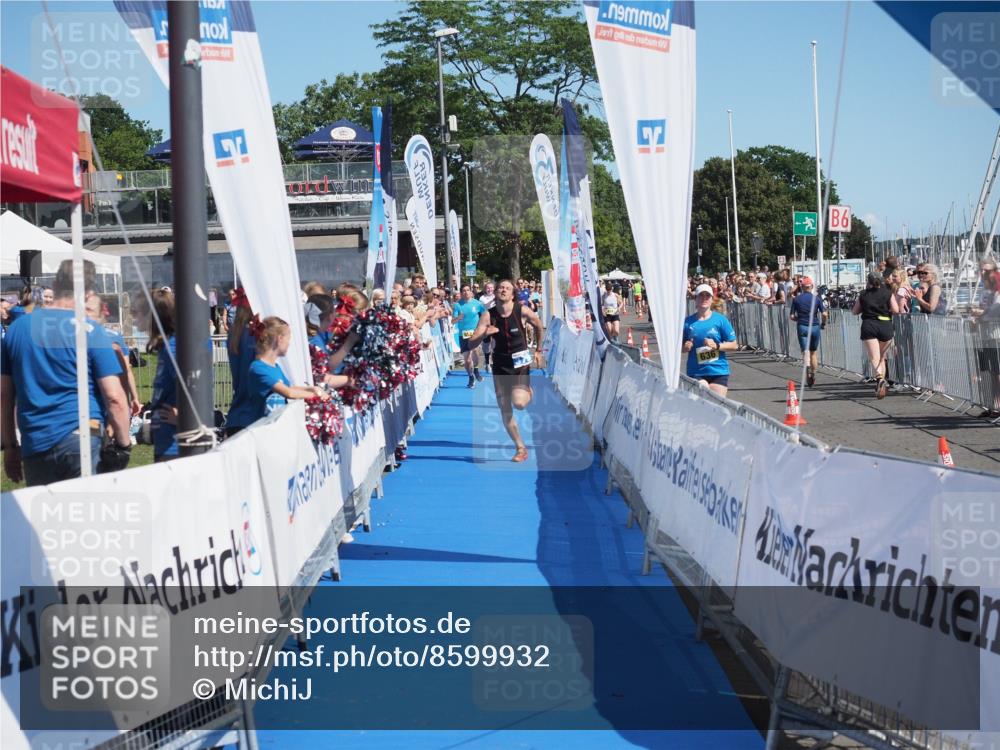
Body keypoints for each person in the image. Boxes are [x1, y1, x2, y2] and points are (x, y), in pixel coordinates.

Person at [1, 260, 131, 485]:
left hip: (35, 440)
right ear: (88, 292)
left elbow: (4, 395)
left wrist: (10, 446)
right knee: (86, 516)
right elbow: (115, 397)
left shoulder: (17, 330)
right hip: (82, 436)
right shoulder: (91, 330)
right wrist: (124, 444)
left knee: (44, 517)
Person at [467, 279, 545, 462]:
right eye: (500, 287)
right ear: (495, 292)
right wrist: (484, 334)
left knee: (519, 403)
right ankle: (520, 447)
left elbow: (539, 325)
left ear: (513, 294)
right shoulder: (488, 315)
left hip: (520, 362)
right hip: (500, 364)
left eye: (507, 288)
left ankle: (527, 391)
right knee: (505, 408)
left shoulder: (522, 310)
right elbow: (472, 343)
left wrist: (539, 350)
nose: (503, 290)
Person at [248, 317, 330, 421]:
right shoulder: (258, 368)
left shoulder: (275, 367)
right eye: (288, 339)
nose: (289, 344)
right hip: (264, 430)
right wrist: (316, 396)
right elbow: (288, 393)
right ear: (280, 339)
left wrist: (312, 389)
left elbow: (290, 388)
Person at [682, 283, 739, 397]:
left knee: (717, 406)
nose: (704, 298)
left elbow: (734, 345)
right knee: (703, 396)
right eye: (701, 296)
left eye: (707, 296)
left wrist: (717, 346)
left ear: (712, 299)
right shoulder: (687, 322)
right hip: (696, 372)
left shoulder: (720, 320)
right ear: (695, 299)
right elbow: (679, 347)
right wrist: (685, 347)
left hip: (718, 371)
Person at [852, 273, 894, 399]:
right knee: (882, 357)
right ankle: (882, 385)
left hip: (869, 325)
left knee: (874, 357)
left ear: (868, 282)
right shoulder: (888, 293)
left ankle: (879, 378)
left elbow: (855, 311)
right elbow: (896, 309)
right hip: (885, 325)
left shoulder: (864, 294)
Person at [789, 276, 827, 387]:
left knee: (805, 352)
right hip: (814, 326)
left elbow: (791, 316)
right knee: (813, 352)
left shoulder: (796, 299)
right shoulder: (817, 299)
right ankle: (813, 373)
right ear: (812, 286)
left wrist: (798, 319)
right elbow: (824, 314)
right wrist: (823, 323)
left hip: (802, 326)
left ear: (802, 287)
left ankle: (807, 372)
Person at [453, 284, 487, 388]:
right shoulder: (458, 305)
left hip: (475, 333)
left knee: (476, 352)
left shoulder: (477, 304)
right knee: (467, 359)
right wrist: (458, 318)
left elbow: (485, 315)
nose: (466, 292)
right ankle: (471, 376)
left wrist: (483, 326)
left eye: (468, 290)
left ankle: (476, 369)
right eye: (464, 290)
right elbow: (452, 321)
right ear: (461, 292)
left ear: (471, 292)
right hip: (463, 335)